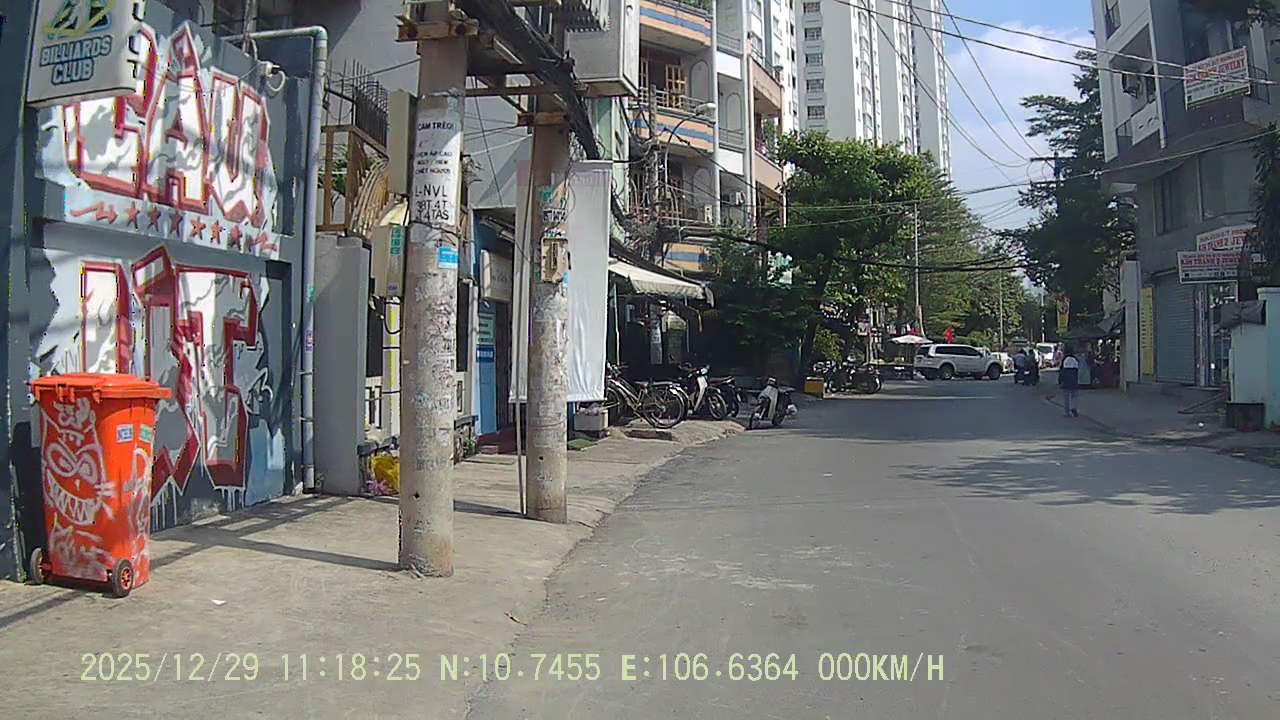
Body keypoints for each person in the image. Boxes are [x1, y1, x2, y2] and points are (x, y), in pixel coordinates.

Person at [1059, 349, 1080, 417]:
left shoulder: (1064, 360)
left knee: (1066, 398)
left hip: (1066, 380)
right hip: (1074, 380)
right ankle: (1074, 407)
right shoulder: (1075, 360)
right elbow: (1077, 371)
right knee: (1074, 396)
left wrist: (1060, 381)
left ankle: (1067, 412)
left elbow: (1061, 372)